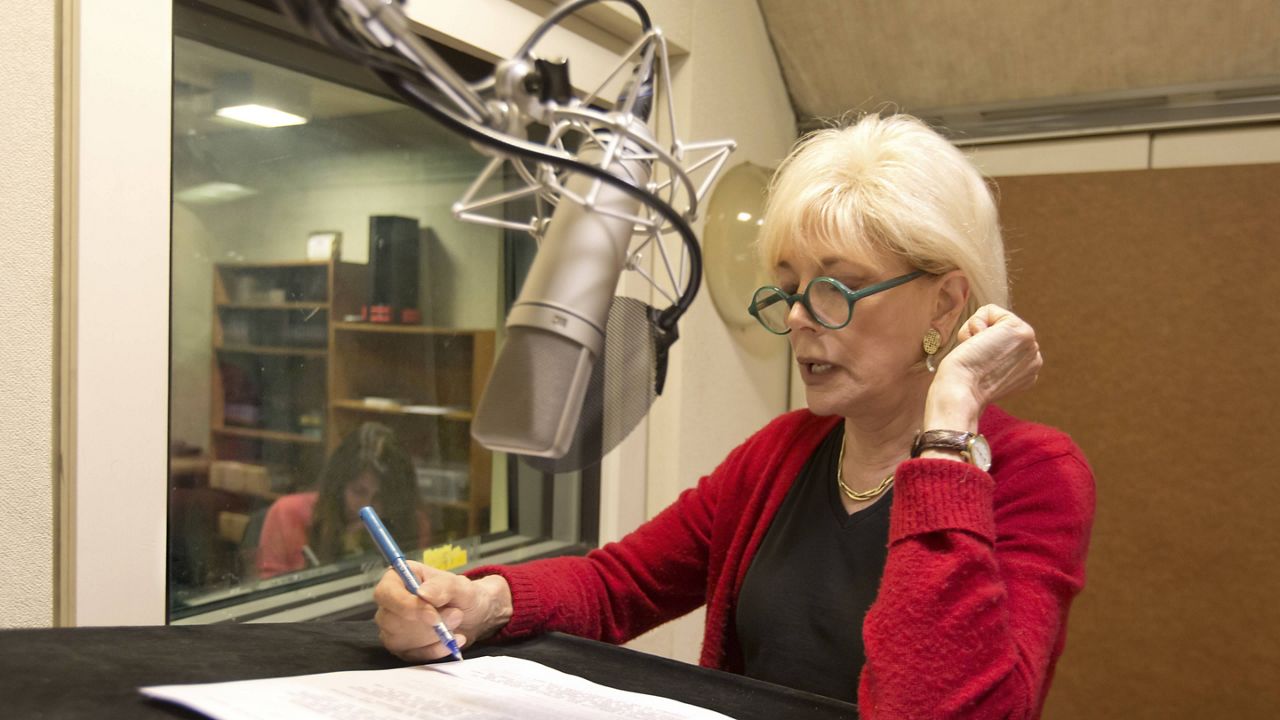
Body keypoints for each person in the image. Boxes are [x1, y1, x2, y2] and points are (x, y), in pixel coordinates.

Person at [372, 113, 1095, 717]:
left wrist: (948, 429)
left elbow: (937, 708)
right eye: (788, 288)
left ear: (945, 300)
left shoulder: (1036, 475)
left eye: (840, 288)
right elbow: (620, 583)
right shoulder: (782, 452)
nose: (803, 320)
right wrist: (479, 601)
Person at [257, 422, 431, 578]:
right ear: (339, 486)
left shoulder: (412, 522)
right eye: (358, 491)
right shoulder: (288, 514)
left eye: (380, 497)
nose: (367, 506)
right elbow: (271, 590)